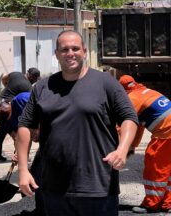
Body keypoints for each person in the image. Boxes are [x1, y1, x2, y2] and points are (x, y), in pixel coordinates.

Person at [16, 30, 138, 216]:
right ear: (57, 54)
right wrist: (23, 170)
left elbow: (129, 117)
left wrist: (122, 149)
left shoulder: (106, 83)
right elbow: (25, 125)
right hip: (53, 187)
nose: (70, 53)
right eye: (64, 49)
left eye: (75, 48)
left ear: (84, 51)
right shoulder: (42, 87)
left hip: (98, 185)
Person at [119, 75, 171, 214]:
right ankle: (168, 204)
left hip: (166, 132)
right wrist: (132, 146)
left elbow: (125, 125)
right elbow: (138, 125)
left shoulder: (132, 99)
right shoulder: (147, 92)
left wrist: (121, 146)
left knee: (155, 166)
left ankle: (151, 204)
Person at [0, 93, 44, 215]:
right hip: (45, 145)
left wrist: (39, 128)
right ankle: (38, 210)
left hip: (57, 137)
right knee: (32, 179)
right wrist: (20, 156)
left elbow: (48, 108)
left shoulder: (22, 100)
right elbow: (19, 139)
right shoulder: (5, 123)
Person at [0, 71, 34, 161]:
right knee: (17, 134)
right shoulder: (28, 87)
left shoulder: (17, 74)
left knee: (2, 130)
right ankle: (22, 155)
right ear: (32, 78)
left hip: (0, 103)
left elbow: (3, 77)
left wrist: (7, 87)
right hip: (8, 108)